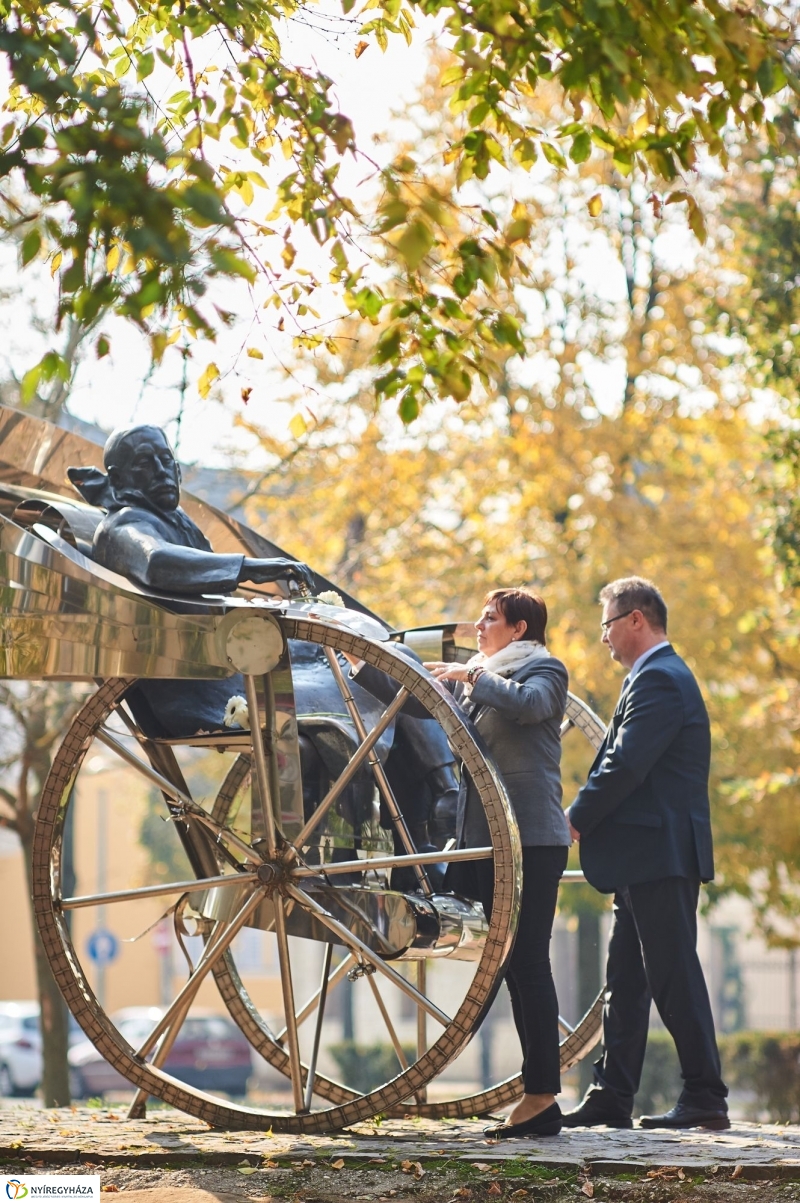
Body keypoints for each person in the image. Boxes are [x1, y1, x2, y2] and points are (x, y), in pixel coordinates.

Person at [349, 588, 571, 1138]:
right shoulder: (483, 675)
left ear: (519, 629)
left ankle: (541, 1097)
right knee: (494, 956)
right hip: (485, 841)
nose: (478, 624)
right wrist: (364, 666)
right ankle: (525, 1090)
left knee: (527, 962)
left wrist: (470, 676)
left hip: (531, 842)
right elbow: (430, 708)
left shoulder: (544, 669)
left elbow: (533, 706)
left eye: (490, 618)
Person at [563, 577, 729, 1131]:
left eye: (607, 624)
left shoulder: (660, 678)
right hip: (644, 855)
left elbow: (627, 764)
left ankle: (706, 1095)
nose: (603, 637)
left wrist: (578, 816)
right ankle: (613, 1095)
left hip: (661, 853)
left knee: (672, 975)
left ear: (636, 620)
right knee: (627, 981)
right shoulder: (654, 677)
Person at [67, 424, 315, 737]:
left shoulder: (175, 520)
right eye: (145, 463)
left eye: (166, 460)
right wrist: (249, 568)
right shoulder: (123, 525)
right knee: (341, 681)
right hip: (195, 687)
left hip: (229, 664)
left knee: (348, 669)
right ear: (118, 480)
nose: (162, 471)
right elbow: (156, 561)